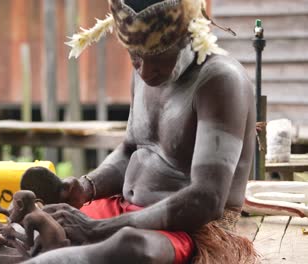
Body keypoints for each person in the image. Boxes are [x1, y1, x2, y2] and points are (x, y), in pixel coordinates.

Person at [25, 0, 258, 263]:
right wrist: (86, 187)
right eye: (135, 57)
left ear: (188, 38)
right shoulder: (145, 64)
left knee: (131, 247)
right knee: (36, 224)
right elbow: (131, 149)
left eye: (159, 59)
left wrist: (97, 229)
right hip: (123, 213)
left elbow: (207, 199)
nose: (145, 71)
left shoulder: (220, 81)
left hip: (186, 231)